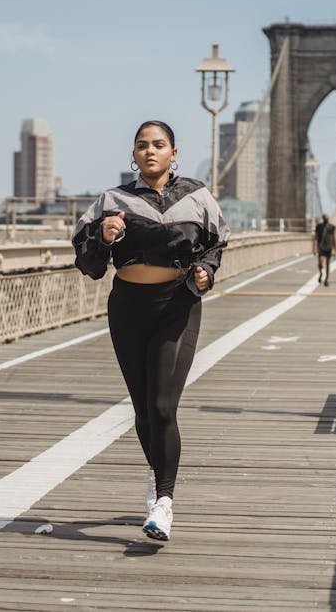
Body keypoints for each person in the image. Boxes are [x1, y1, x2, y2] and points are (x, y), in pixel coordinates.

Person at [72, 120, 229, 542]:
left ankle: (164, 500)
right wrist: (104, 239)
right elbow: (88, 265)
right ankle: (159, 470)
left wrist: (205, 273)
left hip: (176, 307)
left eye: (159, 145)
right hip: (127, 308)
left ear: (174, 152)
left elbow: (216, 244)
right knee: (141, 408)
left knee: (161, 406)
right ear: (134, 154)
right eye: (142, 146)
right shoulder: (113, 200)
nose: (150, 151)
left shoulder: (197, 195)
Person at [314, 214, 336, 286]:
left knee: (327, 264)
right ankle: (321, 273)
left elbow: (334, 238)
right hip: (321, 247)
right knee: (320, 263)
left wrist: (335, 249)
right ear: (323, 219)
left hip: (329, 247)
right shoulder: (319, 226)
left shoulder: (332, 227)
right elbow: (315, 237)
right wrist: (314, 248)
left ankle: (327, 279)